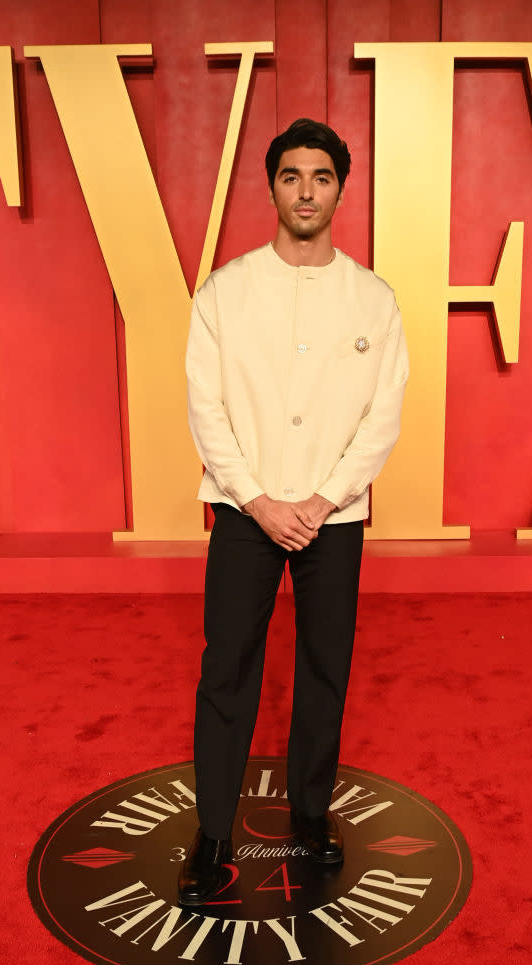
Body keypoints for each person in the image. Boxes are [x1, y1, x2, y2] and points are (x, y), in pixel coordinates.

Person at [178, 118, 409, 906]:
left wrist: (320, 499)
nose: (305, 190)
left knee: (323, 668)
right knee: (227, 670)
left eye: (320, 177)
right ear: (270, 186)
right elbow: (205, 408)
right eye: (290, 176)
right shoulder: (224, 291)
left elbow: (383, 416)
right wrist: (257, 499)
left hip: (332, 516)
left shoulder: (373, 300)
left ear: (340, 189)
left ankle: (310, 816)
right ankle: (212, 830)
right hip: (245, 512)